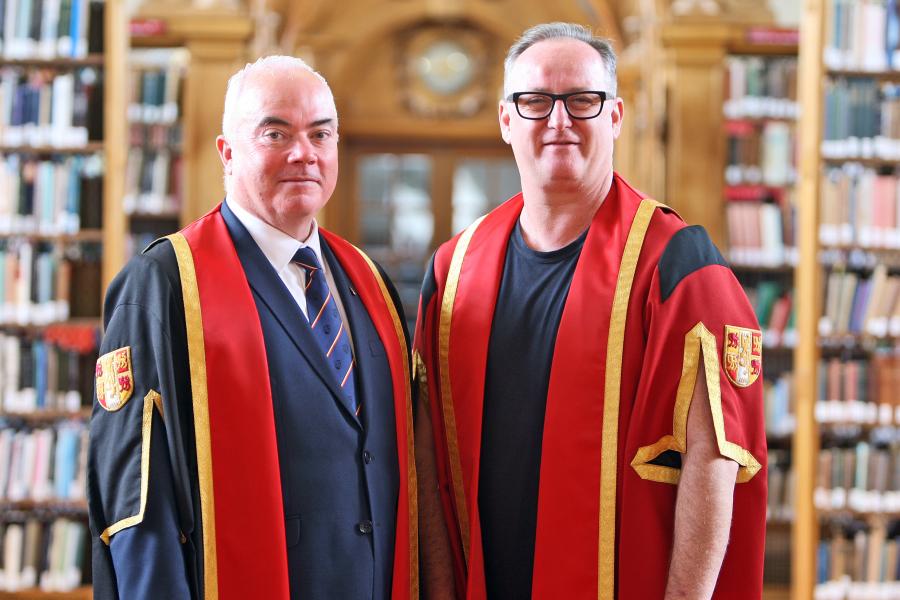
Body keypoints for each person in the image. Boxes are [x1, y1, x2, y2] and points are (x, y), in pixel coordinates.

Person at [413, 22, 766, 600]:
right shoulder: (453, 270)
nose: (559, 122)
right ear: (506, 120)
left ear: (616, 117)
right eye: (534, 102)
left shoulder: (673, 261)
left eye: (582, 100)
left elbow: (714, 456)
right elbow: (427, 459)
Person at [88, 56, 418, 600]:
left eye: (320, 134)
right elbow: (136, 501)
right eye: (275, 132)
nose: (303, 153)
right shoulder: (167, 282)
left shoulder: (368, 280)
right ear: (227, 152)